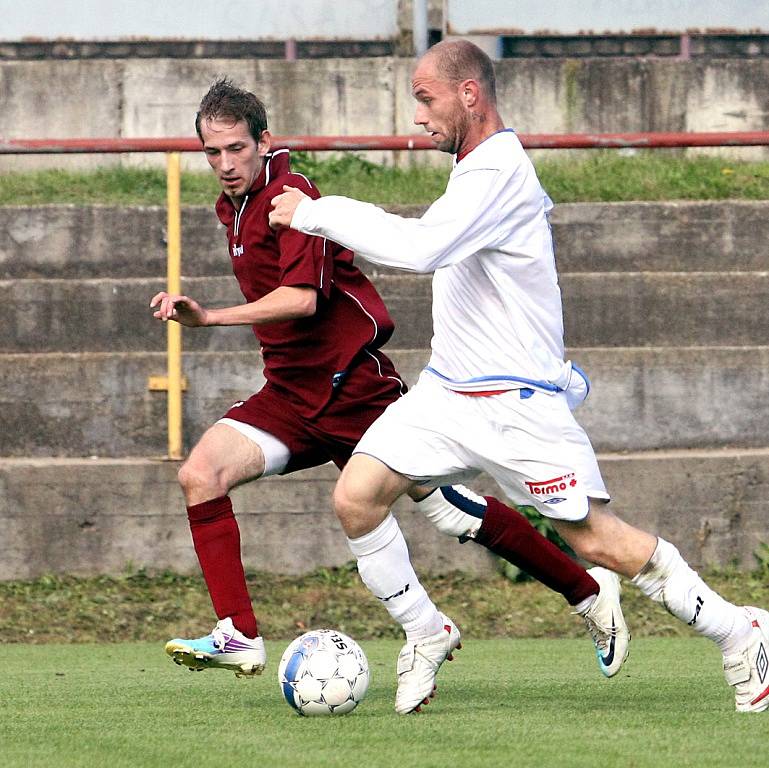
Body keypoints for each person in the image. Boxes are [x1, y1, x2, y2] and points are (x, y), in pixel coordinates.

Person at [269, 40, 769, 714]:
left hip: (515, 406)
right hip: (448, 394)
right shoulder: (472, 168)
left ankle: (740, 633)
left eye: (426, 98)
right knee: (357, 496)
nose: (417, 115)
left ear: (469, 94)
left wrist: (315, 211)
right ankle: (427, 630)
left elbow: (420, 248)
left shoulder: (498, 171)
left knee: (600, 543)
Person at [150, 78, 629, 713]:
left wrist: (207, 317)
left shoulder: (291, 197)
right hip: (290, 396)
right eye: (212, 153)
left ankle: (589, 594)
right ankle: (240, 633)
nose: (225, 164)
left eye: (237, 148)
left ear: (265, 142)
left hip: (355, 391)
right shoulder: (230, 206)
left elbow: (304, 300)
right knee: (200, 474)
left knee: (453, 511)